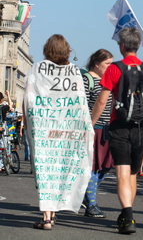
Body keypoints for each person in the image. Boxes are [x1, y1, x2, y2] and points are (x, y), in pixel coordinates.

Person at [91, 27, 143, 234]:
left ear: (122, 46)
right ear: (137, 45)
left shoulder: (115, 68)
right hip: (141, 128)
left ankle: (128, 216)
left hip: (119, 127)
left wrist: (90, 122)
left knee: (121, 172)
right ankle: (127, 213)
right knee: (132, 173)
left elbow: (102, 101)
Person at [24, 34, 94, 230]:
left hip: (43, 128)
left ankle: (47, 217)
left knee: (45, 171)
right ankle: (52, 214)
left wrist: (29, 124)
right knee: (60, 169)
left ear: (47, 49)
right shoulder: (73, 71)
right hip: (67, 130)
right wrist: (85, 127)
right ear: (67, 50)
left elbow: (28, 99)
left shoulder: (36, 69)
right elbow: (81, 102)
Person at [82, 49, 114, 218]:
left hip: (108, 128)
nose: (110, 67)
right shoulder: (87, 80)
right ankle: (91, 204)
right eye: (107, 63)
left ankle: (86, 196)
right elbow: (83, 105)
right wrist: (88, 127)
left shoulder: (106, 80)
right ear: (96, 63)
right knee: (93, 166)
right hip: (95, 128)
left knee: (106, 166)